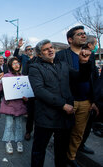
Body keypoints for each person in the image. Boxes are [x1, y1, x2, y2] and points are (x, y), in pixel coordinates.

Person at [29, 39, 91, 167]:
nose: (50, 50)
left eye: (51, 47)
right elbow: (39, 91)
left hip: (64, 118)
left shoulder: (63, 65)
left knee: (61, 151)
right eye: (46, 49)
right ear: (40, 54)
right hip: (46, 117)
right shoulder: (35, 67)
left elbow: (81, 78)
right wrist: (62, 105)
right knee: (39, 150)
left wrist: (83, 63)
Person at [56, 26, 99, 167]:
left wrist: (94, 101)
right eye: (79, 34)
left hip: (86, 101)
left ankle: (71, 156)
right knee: (65, 133)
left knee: (78, 133)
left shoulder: (90, 55)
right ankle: (61, 158)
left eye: (84, 33)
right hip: (69, 101)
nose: (83, 36)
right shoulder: (62, 56)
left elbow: (94, 78)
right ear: (70, 39)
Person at [0, 57, 27, 154]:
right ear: (10, 66)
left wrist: (27, 98)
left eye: (17, 63)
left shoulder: (23, 77)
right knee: (9, 125)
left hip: (20, 106)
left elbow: (26, 91)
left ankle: (19, 141)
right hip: (9, 105)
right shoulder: (6, 76)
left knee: (19, 125)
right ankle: (8, 142)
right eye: (14, 64)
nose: (16, 65)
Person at [78, 35, 99, 154]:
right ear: (90, 45)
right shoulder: (86, 58)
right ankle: (77, 148)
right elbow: (90, 80)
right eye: (95, 44)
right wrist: (93, 100)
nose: (96, 46)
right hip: (86, 99)